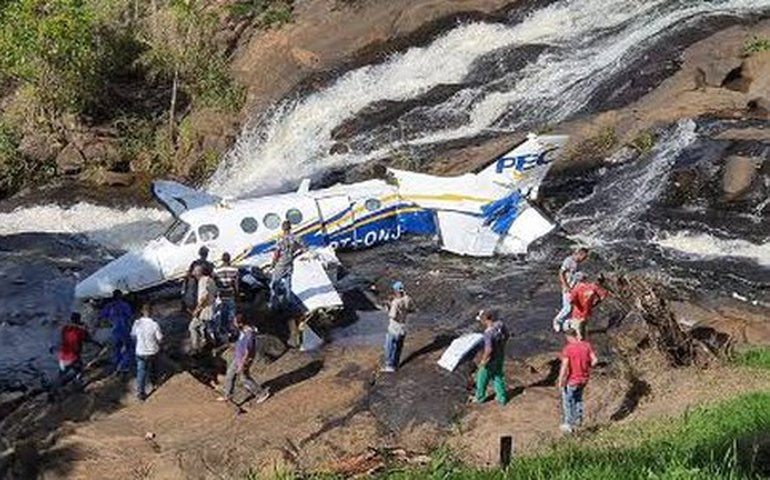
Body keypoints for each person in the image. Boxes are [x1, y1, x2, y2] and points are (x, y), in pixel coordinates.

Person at [217, 314, 270, 404]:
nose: (234, 324)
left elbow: (248, 352)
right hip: (238, 357)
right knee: (230, 375)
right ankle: (227, 395)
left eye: (235, 322)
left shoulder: (249, 334)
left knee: (244, 378)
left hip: (244, 359)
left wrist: (242, 364)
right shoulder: (243, 330)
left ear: (240, 323)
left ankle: (262, 393)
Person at [50, 313, 101, 400]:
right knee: (79, 371)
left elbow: (61, 339)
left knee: (60, 375)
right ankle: (78, 387)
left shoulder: (65, 329)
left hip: (63, 357)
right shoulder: (80, 331)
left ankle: (52, 392)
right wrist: (98, 344)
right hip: (74, 357)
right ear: (79, 320)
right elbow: (88, 339)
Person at [558, 326, 598, 433]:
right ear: (576, 335)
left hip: (572, 380)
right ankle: (578, 420)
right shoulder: (586, 345)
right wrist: (587, 365)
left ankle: (568, 424)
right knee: (578, 399)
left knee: (568, 401)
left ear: (568, 337)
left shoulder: (568, 349)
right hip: (584, 379)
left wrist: (561, 380)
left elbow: (565, 366)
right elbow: (595, 360)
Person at [473, 310, 510, 405]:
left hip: (491, 359)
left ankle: (479, 398)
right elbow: (507, 335)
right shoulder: (500, 324)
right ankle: (502, 398)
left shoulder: (488, 333)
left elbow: (488, 349)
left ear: (484, 320)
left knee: (481, 378)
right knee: (498, 376)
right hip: (500, 355)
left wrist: (483, 360)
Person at [269, 220, 304, 310]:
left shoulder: (280, 239)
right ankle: (288, 303)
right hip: (290, 263)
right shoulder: (295, 237)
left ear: (283, 228)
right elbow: (303, 248)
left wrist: (273, 264)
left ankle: (274, 304)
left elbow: (277, 253)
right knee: (288, 285)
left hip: (281, 264)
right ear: (290, 228)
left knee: (274, 284)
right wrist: (294, 255)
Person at [131, 304, 163, 401]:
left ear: (142, 311)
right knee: (154, 367)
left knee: (141, 372)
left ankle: (140, 393)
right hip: (152, 351)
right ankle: (154, 382)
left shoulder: (137, 323)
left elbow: (133, 336)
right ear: (151, 312)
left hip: (140, 351)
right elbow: (160, 338)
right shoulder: (154, 324)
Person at [553, 248, 589, 332]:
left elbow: (577, 274)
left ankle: (567, 325)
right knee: (567, 308)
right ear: (579, 254)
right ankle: (557, 321)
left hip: (576, 288)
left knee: (576, 308)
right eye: (584, 257)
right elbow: (561, 273)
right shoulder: (568, 261)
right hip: (569, 288)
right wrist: (566, 286)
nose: (584, 259)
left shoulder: (579, 263)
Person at [381, 281, 414, 373]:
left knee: (389, 347)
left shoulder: (396, 303)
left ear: (396, 291)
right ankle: (396, 364)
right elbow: (411, 310)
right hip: (403, 328)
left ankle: (389, 366)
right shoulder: (408, 299)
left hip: (394, 328)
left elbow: (392, 316)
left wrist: (388, 307)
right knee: (398, 347)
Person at [99, 290, 133, 375]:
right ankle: (123, 366)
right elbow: (129, 315)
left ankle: (116, 366)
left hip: (114, 331)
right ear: (120, 296)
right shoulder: (125, 305)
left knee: (116, 349)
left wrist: (109, 321)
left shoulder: (109, 306)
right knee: (128, 348)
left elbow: (102, 316)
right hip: (124, 329)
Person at [566, 273, 609, 340]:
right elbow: (604, 295)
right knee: (583, 329)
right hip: (587, 312)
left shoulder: (577, 288)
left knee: (577, 334)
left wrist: (577, 304)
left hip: (577, 314)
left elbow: (571, 301)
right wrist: (595, 303)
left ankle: (580, 346)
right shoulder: (593, 287)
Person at [189, 265, 218, 353]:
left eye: (194, 270)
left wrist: (197, 310)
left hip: (205, 310)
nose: (193, 272)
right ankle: (208, 344)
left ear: (199, 272)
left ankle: (195, 348)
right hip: (211, 308)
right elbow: (215, 293)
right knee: (204, 328)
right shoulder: (210, 280)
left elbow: (204, 297)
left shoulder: (203, 281)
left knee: (192, 327)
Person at [214, 252, 240, 341]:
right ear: (229, 259)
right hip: (230, 294)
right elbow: (236, 284)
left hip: (221, 294)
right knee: (231, 314)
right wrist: (237, 294)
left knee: (222, 314)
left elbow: (216, 282)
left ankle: (223, 332)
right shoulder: (234, 270)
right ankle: (232, 331)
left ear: (222, 259)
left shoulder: (216, 270)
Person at [183, 246, 215, 312]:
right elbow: (213, 276)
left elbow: (188, 274)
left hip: (194, 287)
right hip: (203, 286)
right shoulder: (209, 264)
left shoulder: (195, 263)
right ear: (207, 254)